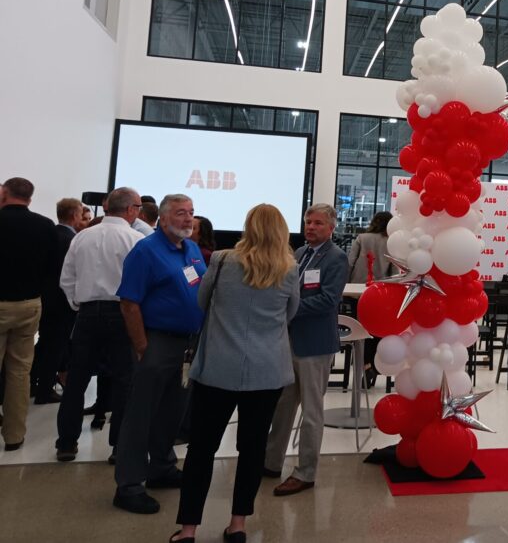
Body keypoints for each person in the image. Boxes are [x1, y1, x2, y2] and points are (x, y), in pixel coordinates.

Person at [171, 204, 299, 543]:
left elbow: (201, 302)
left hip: (218, 369)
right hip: (267, 372)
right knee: (253, 449)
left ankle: (188, 529)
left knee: (201, 449)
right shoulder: (289, 269)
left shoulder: (224, 261)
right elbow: (291, 313)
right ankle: (238, 524)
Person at [113, 194, 206, 514]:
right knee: (141, 415)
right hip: (156, 342)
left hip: (186, 345)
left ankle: (162, 468)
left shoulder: (191, 249)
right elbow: (129, 302)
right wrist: (141, 347)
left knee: (173, 411)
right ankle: (128, 485)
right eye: (181, 213)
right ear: (163, 218)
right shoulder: (145, 251)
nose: (188, 219)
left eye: (191, 213)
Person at [54, 188, 144, 462]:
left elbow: (66, 278)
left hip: (88, 314)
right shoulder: (136, 239)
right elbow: (142, 283)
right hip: (122, 313)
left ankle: (66, 443)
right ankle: (119, 446)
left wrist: (78, 304)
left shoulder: (82, 237)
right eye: (138, 206)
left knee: (77, 380)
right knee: (124, 381)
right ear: (130, 210)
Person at [265, 204, 348, 496]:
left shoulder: (336, 258)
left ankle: (305, 473)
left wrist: (287, 309)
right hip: (290, 342)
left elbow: (327, 300)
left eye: (318, 223)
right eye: (308, 222)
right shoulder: (299, 255)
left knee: (311, 411)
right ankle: (271, 462)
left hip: (315, 344)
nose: (311, 227)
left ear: (331, 228)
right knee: (283, 405)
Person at [0, 177, 60, 450]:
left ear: (4, 193)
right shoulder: (45, 225)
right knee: (20, 371)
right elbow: (52, 268)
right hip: (30, 304)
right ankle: (14, 435)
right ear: (30, 198)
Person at [31, 197, 83, 403]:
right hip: (62, 302)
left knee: (45, 343)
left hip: (46, 298)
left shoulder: (51, 234)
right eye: (80, 213)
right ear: (74, 215)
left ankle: (34, 383)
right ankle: (44, 389)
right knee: (55, 346)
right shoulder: (71, 240)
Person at [347, 211, 393, 283]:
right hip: (380, 285)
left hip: (357, 282)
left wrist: (346, 282)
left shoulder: (362, 238)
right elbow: (394, 270)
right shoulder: (390, 242)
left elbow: (350, 262)